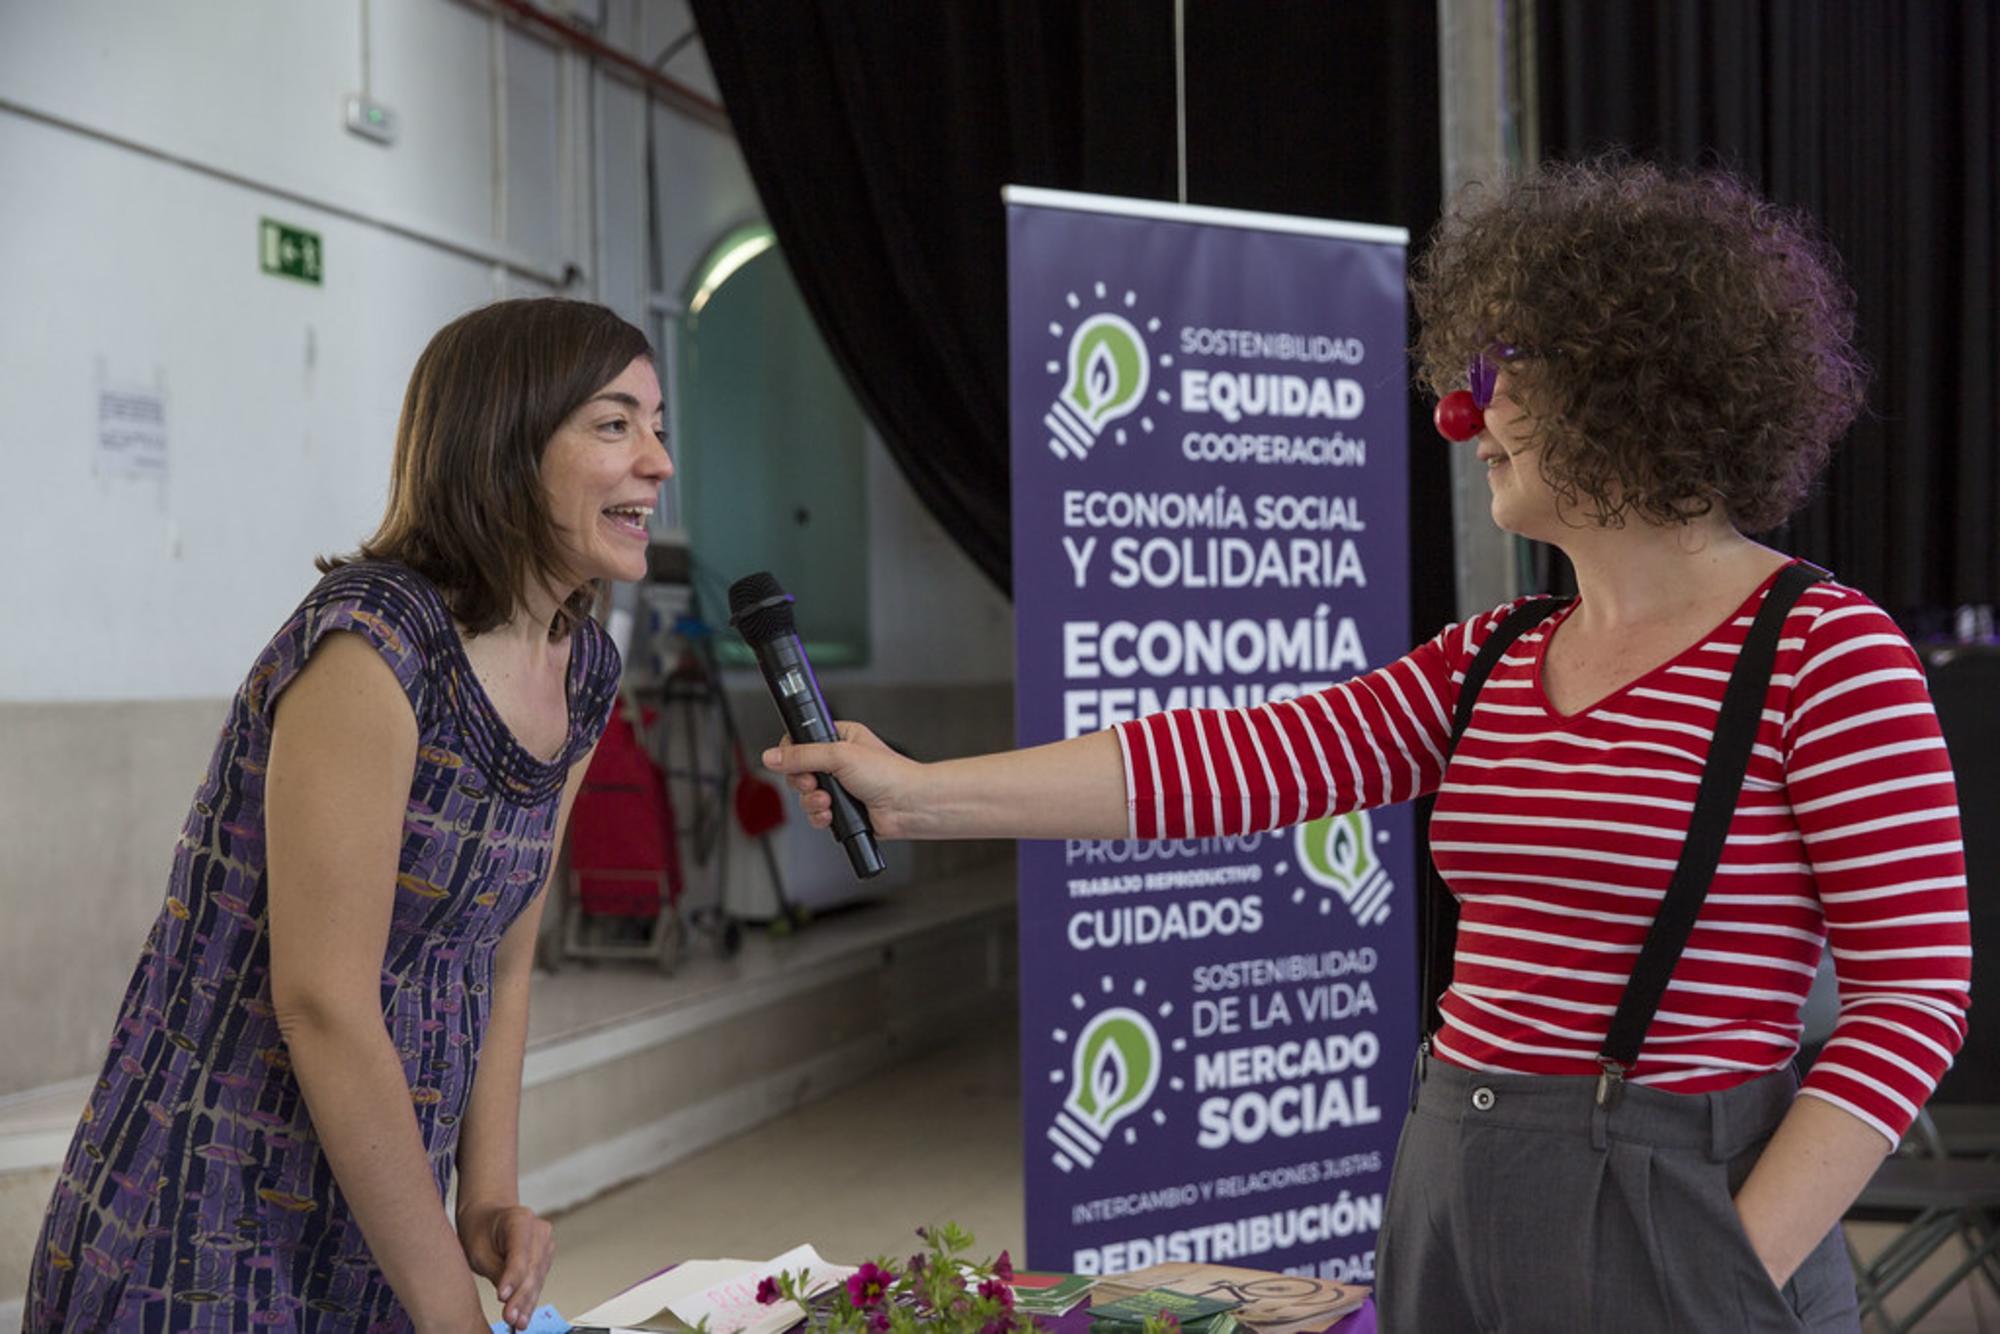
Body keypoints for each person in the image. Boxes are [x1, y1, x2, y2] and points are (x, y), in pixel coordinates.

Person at [762, 161, 1971, 1331]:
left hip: (1682, 1207)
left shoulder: (1822, 652)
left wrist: (1731, 1261)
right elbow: (1230, 760)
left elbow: (1910, 997)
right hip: (1455, 1170)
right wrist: (915, 795)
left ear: (1620, 383)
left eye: (1498, 367)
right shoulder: (1491, 654)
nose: (1464, 409)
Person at [25, 299, 673, 1332]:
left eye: (657, 424)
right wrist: (449, 1315)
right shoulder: (374, 642)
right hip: (214, 1198)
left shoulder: (581, 664)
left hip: (382, 1194)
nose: (657, 460)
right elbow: (319, 996)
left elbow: (501, 954)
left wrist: (488, 1194)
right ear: (506, 442)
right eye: (613, 423)